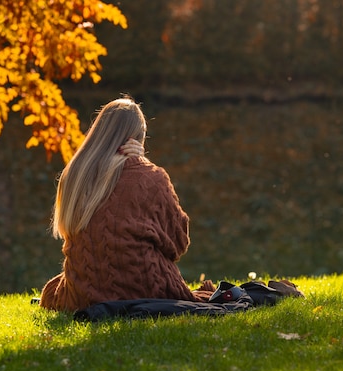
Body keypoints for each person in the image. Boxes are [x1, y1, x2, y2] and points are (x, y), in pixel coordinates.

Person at [39, 96, 214, 311]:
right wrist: (144, 163)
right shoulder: (150, 177)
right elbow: (179, 243)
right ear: (135, 139)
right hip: (145, 290)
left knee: (55, 288)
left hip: (84, 295)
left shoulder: (74, 175)